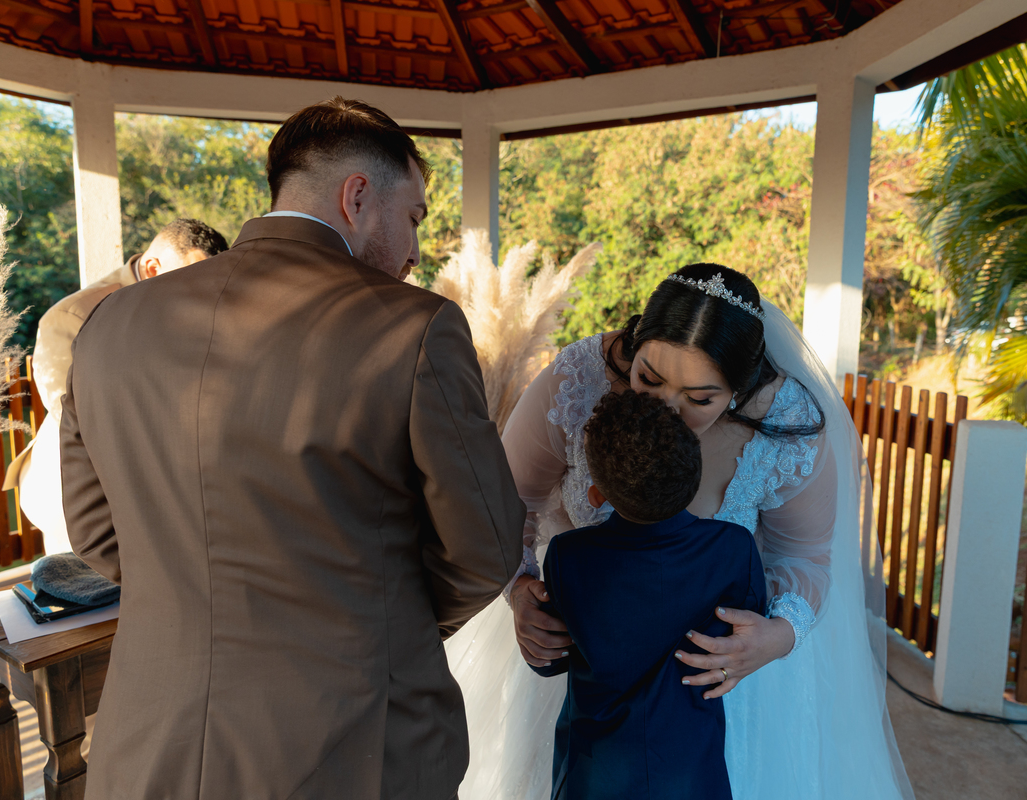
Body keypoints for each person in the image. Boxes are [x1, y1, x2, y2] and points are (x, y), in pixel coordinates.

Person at [60, 97, 525, 799]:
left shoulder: (108, 325)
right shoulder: (415, 328)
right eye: (415, 219)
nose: (416, 251)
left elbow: (96, 529)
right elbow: (487, 542)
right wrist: (369, 613)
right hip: (353, 745)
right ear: (359, 196)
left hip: (152, 746)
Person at [445, 264, 915, 799]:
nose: (664, 408)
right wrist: (521, 592)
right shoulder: (579, 379)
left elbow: (805, 555)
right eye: (648, 379)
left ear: (738, 390)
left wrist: (776, 636)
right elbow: (508, 502)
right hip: (591, 670)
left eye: (699, 398)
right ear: (633, 346)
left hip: (714, 690)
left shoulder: (787, 422)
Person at [530, 388, 765, 800]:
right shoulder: (734, 549)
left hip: (594, 773)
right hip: (691, 771)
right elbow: (744, 638)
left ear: (596, 494)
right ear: (694, 480)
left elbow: (552, 660)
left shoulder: (569, 555)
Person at [4, 218, 228, 555]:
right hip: (78, 487)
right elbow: (75, 415)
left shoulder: (192, 306)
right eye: (193, 277)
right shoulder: (72, 316)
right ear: (152, 267)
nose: (204, 290)